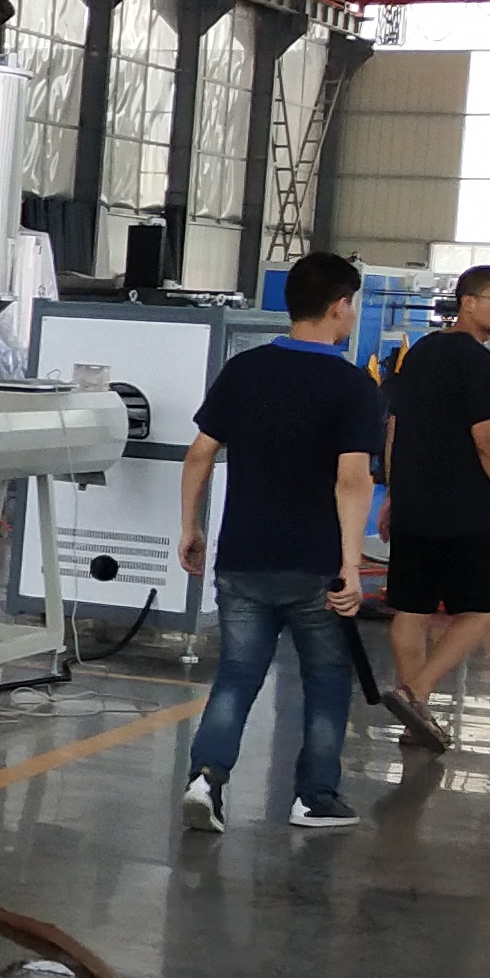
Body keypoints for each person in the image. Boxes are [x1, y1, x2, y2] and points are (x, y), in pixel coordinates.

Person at [177, 250, 385, 836]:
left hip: (243, 556)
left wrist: (191, 527)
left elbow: (199, 455)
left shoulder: (244, 371)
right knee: (326, 679)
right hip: (315, 563)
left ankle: (206, 779)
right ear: (339, 306)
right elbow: (352, 480)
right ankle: (314, 797)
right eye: (351, 306)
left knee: (237, 675)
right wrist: (351, 565)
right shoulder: (352, 386)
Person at [378, 264, 490, 747]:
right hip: (459, 505)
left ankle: (417, 718)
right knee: (484, 605)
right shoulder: (474, 359)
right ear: (468, 303)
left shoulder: (421, 350)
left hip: (414, 502)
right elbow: (488, 440)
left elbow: (395, 427)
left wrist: (394, 494)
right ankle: (416, 692)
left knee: (412, 608)